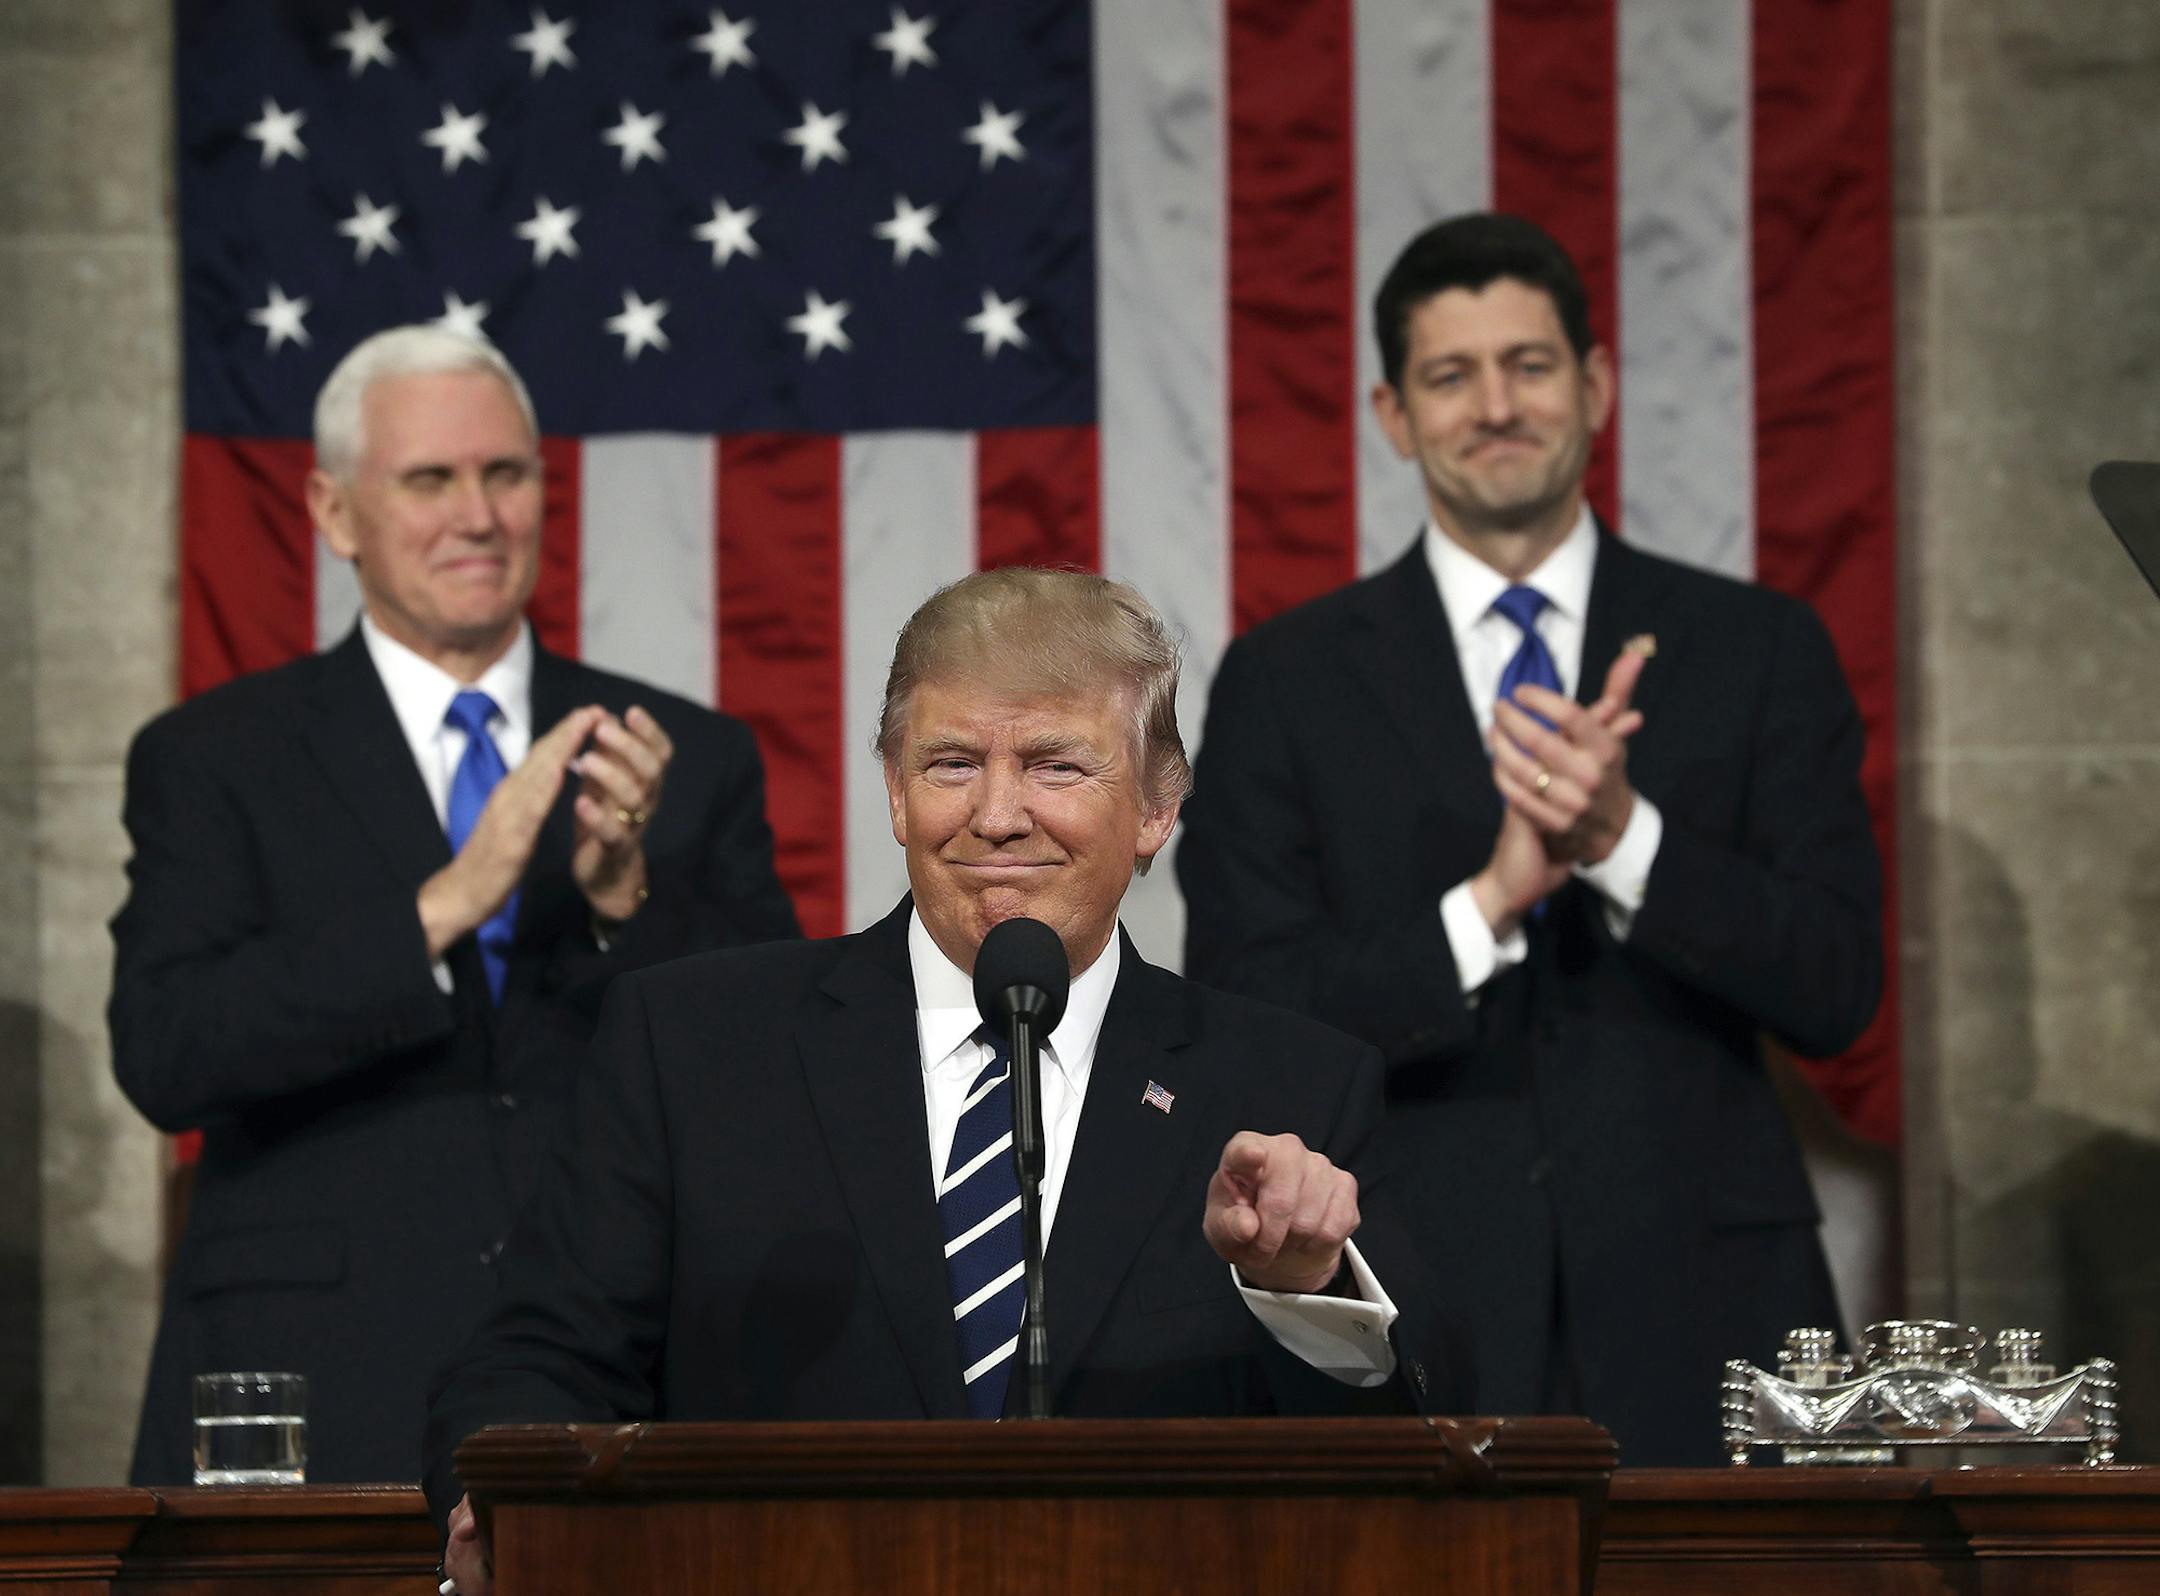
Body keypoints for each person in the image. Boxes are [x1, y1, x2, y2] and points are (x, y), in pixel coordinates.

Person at [423, 569, 1451, 1594]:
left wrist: (1305, 1286)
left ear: (1156, 809)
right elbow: (537, 1357)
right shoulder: (692, 1046)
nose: (998, 815)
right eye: (953, 762)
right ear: (894, 790)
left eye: (1056, 766)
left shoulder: (1288, 1084)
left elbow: (1420, 1443)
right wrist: (507, 1499)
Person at [1175, 213, 1884, 1465]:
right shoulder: (1287, 680)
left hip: (1710, 1310)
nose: (1495, 405)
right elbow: (1247, 1002)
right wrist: (1487, 905)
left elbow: (1836, 986)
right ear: (1394, 415)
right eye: (1452, 376)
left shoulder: (1758, 647)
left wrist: (1624, 840)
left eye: (1531, 365)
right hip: (1416, 1298)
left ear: (1597, 386)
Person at [111, 325, 802, 1485]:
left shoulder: (683, 755)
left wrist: (625, 905)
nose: (478, 516)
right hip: (318, 1377)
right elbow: (168, 1051)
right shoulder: (215, 757)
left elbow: (773, 1068)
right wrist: (443, 904)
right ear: (334, 515)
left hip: (610, 1374)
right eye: (430, 479)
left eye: (506, 475)